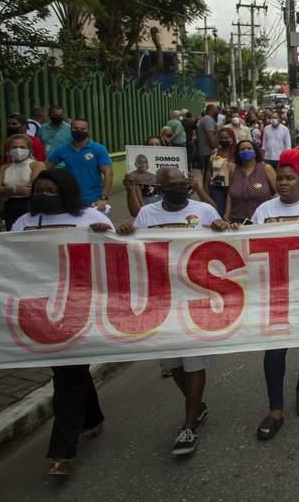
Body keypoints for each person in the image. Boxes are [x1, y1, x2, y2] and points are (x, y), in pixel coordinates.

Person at [114, 167, 230, 456]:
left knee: (193, 362)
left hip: (196, 298)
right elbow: (135, 250)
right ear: (160, 188)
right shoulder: (147, 215)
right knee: (172, 365)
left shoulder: (203, 211)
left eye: (183, 183)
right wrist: (125, 232)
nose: (180, 188)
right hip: (162, 300)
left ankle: (189, 424)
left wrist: (221, 227)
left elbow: (225, 244)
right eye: (173, 184)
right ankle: (197, 405)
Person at [11, 169, 113, 476]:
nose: (43, 195)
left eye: (50, 191)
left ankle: (62, 452)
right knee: (72, 369)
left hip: (81, 307)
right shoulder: (23, 223)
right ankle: (92, 420)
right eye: (38, 191)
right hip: (42, 310)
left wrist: (106, 235)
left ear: (66, 193)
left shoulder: (89, 219)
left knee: (67, 375)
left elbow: (120, 256)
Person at [248, 149, 299, 441]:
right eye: (279, 179)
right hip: (276, 292)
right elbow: (246, 245)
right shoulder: (264, 211)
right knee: (275, 350)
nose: (282, 183)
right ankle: (276, 409)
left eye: (289, 178)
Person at [44, 118, 111, 208]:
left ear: (88, 130)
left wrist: (103, 197)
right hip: (69, 199)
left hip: (93, 200)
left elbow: (108, 173)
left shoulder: (98, 149)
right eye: (75, 128)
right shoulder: (63, 149)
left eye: (83, 129)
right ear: (70, 129)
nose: (79, 131)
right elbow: (44, 168)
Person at [0, 134, 44, 228]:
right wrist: (14, 189)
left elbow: (31, 188)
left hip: (31, 204)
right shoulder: (4, 168)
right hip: (10, 206)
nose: (18, 150)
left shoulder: (37, 165)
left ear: (30, 150)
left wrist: (4, 190)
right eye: (14, 147)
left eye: (22, 147)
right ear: (8, 151)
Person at [225, 140, 276, 224]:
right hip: (236, 221)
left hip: (261, 221)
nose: (246, 151)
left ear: (255, 152)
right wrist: (227, 211)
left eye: (249, 148)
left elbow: (278, 192)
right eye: (242, 149)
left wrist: (269, 206)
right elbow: (230, 193)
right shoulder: (233, 171)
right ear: (238, 154)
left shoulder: (266, 169)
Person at [204, 127, 236, 215]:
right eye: (221, 138)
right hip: (216, 188)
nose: (223, 140)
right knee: (219, 212)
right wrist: (206, 187)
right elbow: (209, 171)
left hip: (232, 188)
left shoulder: (237, 153)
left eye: (226, 138)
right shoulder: (215, 152)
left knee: (231, 213)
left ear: (232, 139)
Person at [123, 149, 162, 217]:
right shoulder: (132, 176)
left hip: (157, 199)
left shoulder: (152, 175)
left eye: (145, 162)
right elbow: (135, 190)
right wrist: (142, 203)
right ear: (135, 164)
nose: (143, 165)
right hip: (144, 201)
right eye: (140, 163)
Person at [196, 104, 219, 171]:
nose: (217, 112)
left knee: (206, 170)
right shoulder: (208, 120)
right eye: (216, 110)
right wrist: (214, 147)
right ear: (212, 110)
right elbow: (209, 134)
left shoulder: (205, 119)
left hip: (205, 150)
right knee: (208, 171)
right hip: (208, 151)